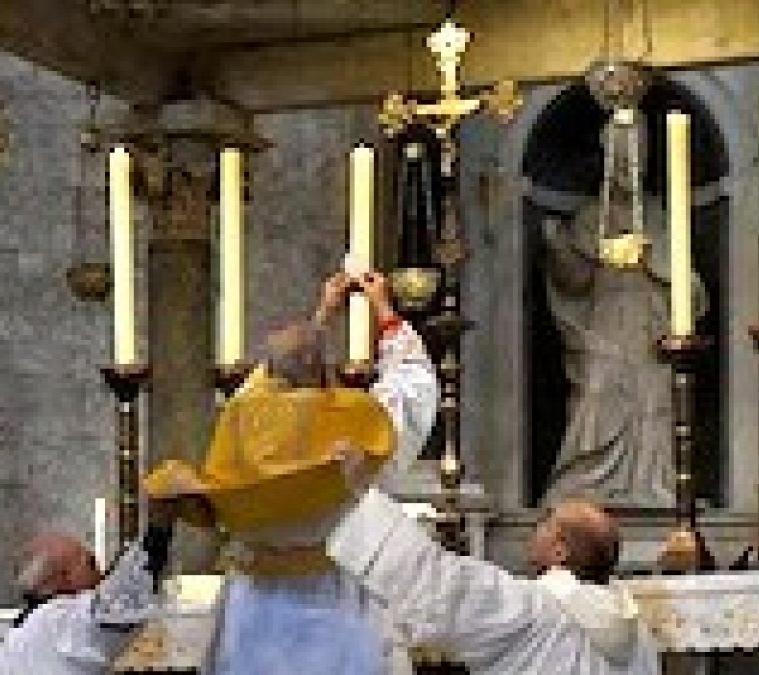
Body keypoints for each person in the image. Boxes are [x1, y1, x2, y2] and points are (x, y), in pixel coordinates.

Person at [144, 268, 439, 675]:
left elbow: (279, 371)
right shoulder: (354, 420)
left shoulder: (242, 420)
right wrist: (384, 310)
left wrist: (322, 315)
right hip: (334, 610)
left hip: (254, 614)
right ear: (325, 369)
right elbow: (409, 392)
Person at [327, 450, 660, 675]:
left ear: (560, 552)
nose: (535, 528)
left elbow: (441, 590)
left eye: (547, 523)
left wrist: (358, 497)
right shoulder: (636, 628)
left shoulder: (539, 612)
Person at [541, 108, 705, 509]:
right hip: (603, 323)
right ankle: (584, 483)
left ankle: (654, 486)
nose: (627, 162)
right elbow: (573, 283)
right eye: (619, 152)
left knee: (654, 403)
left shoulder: (660, 216)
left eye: (636, 152)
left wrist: (655, 258)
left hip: (650, 325)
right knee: (597, 391)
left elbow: (689, 282)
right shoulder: (589, 217)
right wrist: (561, 249)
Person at [0, 497, 199, 675]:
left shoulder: (29, 629)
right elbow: (121, 599)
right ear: (60, 578)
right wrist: (159, 527)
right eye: (89, 563)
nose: (100, 572)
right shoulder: (57, 620)